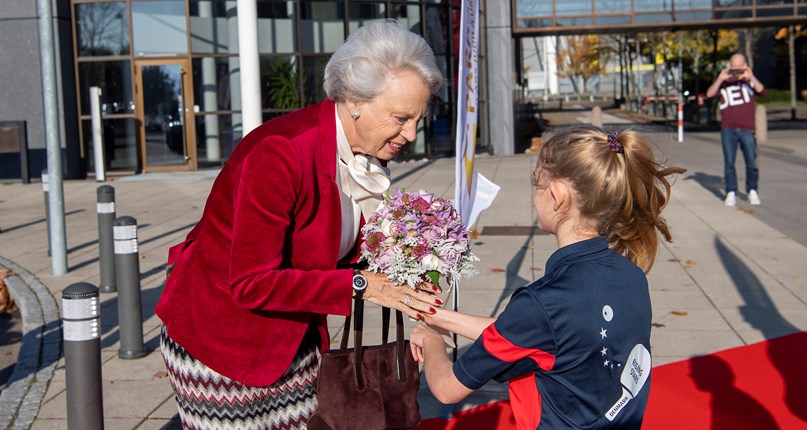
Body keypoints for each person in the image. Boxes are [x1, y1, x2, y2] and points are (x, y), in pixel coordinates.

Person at [154, 21, 444, 429]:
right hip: (222, 346)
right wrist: (364, 286)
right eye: (400, 117)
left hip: (293, 342)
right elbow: (251, 282)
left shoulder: (368, 153)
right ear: (354, 99)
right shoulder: (281, 153)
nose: (410, 133)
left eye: (418, 118)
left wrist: (403, 273)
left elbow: (331, 250)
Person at [410, 125, 686, 429]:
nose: (534, 196)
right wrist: (437, 316)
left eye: (536, 184)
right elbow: (526, 334)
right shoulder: (631, 275)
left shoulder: (543, 303)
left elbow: (448, 389)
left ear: (557, 195)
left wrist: (431, 340)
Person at [706, 53, 765, 206]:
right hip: (728, 128)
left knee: (751, 162)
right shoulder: (725, 83)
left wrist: (750, 76)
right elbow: (709, 94)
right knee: (729, 162)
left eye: (740, 66)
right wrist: (720, 79)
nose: (737, 70)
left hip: (747, 129)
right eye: (734, 66)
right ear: (729, 66)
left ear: (745, 65)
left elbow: (762, 91)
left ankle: (752, 190)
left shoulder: (749, 82)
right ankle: (731, 191)